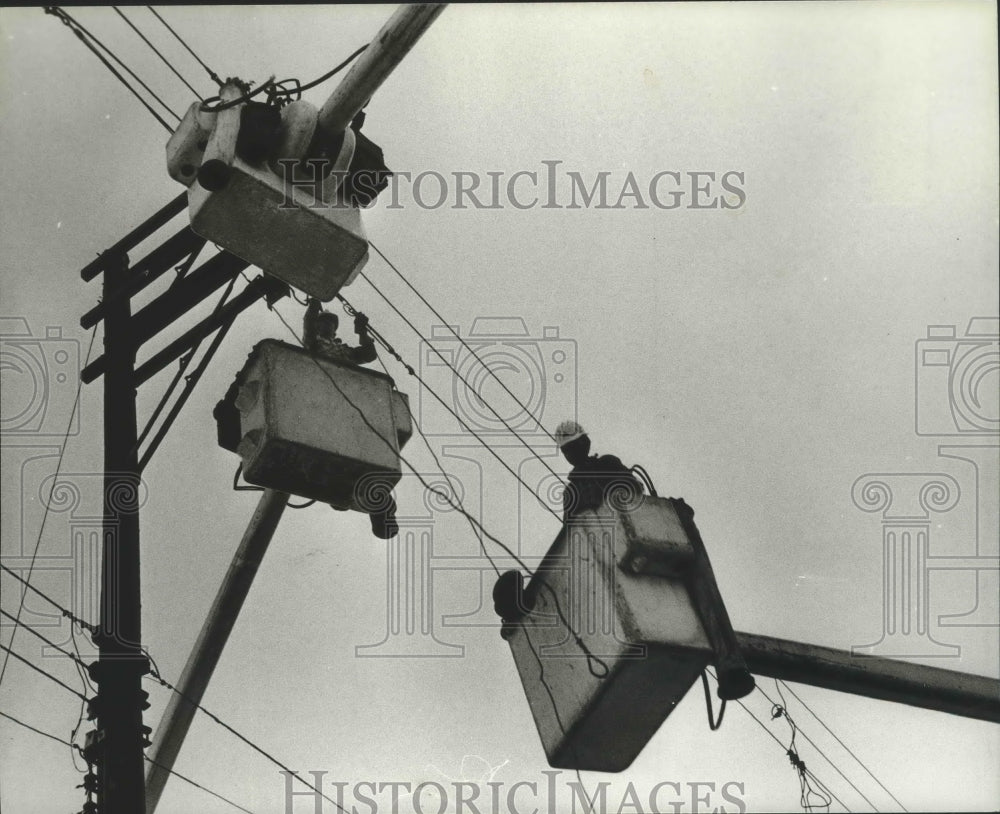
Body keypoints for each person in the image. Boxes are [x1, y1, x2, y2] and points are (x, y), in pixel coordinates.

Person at [302, 297, 398, 540]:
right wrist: (314, 302)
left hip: (349, 400)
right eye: (324, 323)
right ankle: (354, 495)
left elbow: (367, 354)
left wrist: (362, 330)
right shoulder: (314, 344)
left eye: (331, 324)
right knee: (341, 453)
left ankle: (376, 513)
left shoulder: (342, 349)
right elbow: (308, 326)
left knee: (356, 454)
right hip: (326, 395)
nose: (327, 327)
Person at [554, 420, 643, 521]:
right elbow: (571, 527)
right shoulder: (570, 492)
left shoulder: (607, 463)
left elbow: (635, 491)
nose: (570, 453)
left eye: (572, 446)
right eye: (566, 450)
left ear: (585, 442)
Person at [303, 297, 377, 366]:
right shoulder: (313, 342)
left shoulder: (345, 350)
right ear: (316, 327)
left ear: (335, 329)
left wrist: (362, 331)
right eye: (324, 321)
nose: (328, 322)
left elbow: (370, 354)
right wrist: (314, 304)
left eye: (331, 321)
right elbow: (309, 323)